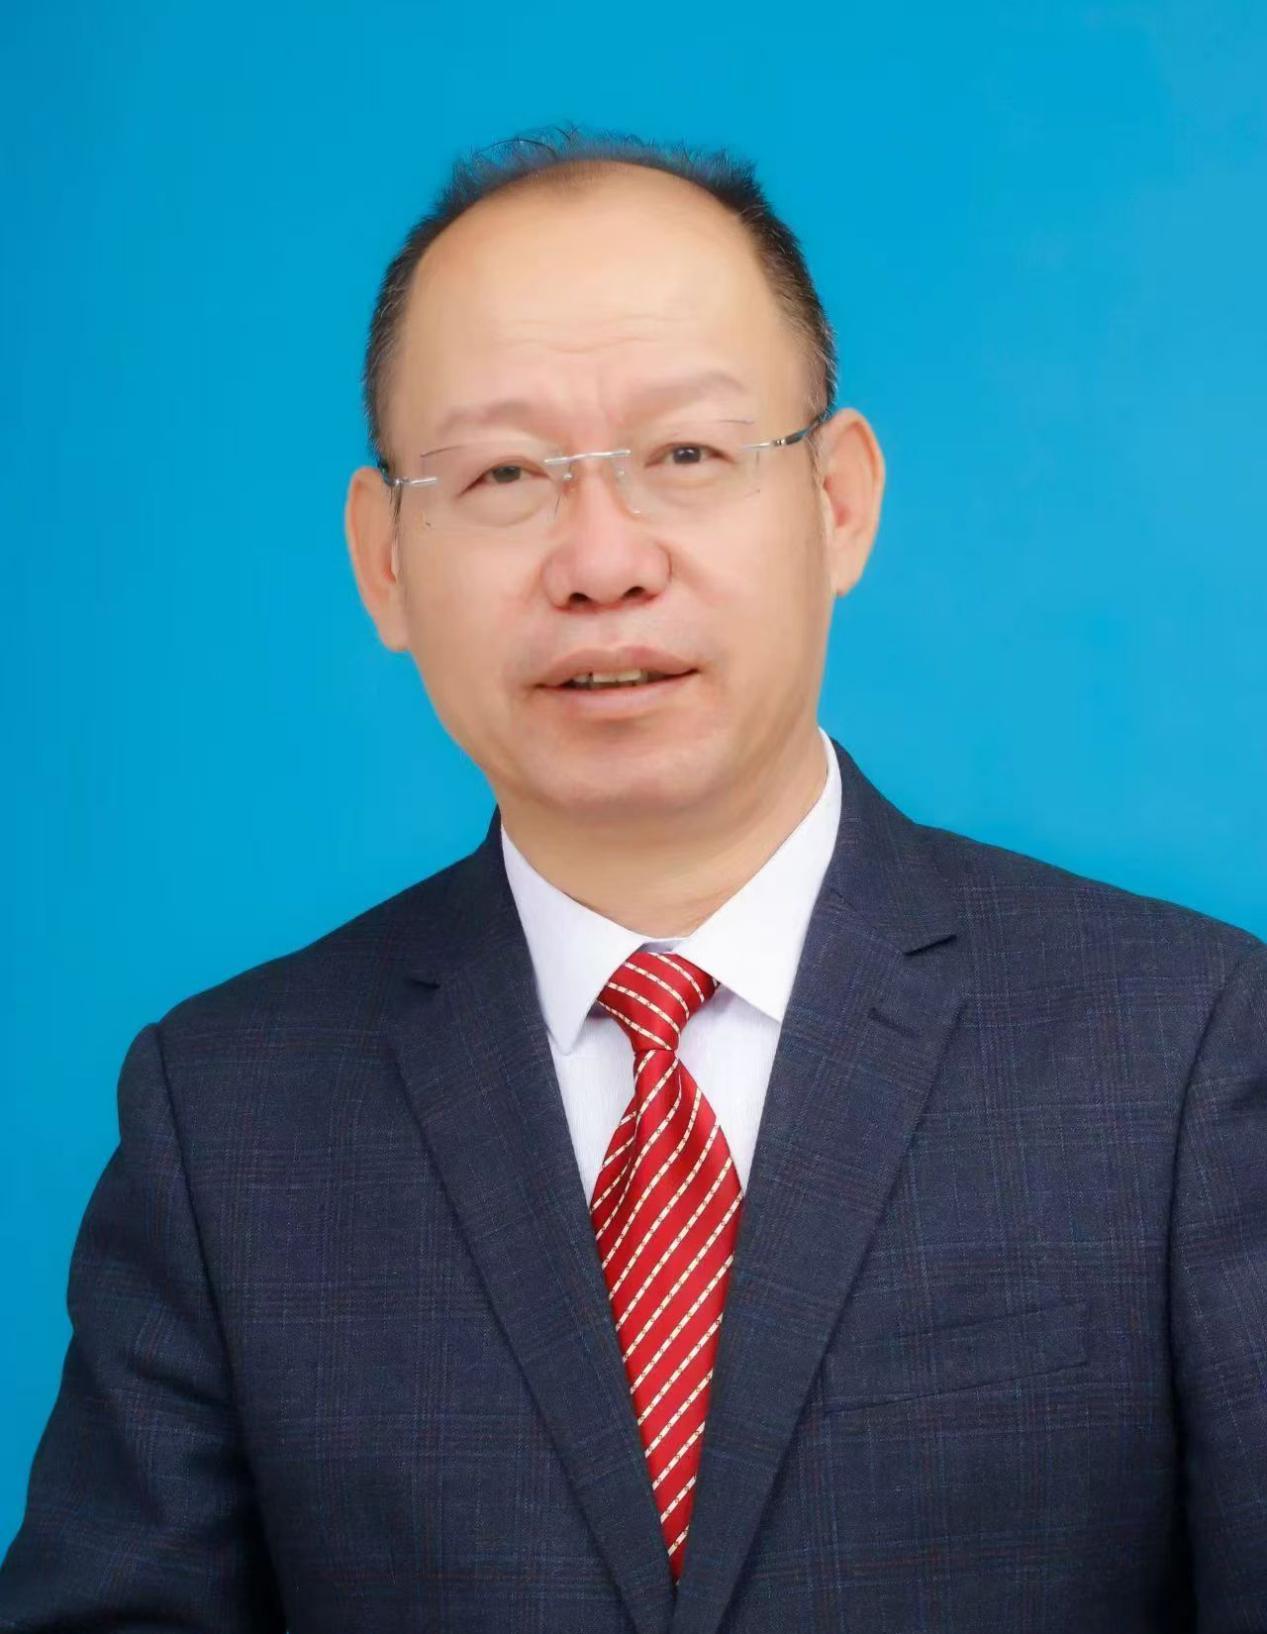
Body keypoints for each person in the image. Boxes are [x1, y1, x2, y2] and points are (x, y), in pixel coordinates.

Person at [1, 126, 1264, 1634]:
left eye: (686, 455)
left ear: (840, 501)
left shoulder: (1180, 1051)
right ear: (385, 561)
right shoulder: (226, 1117)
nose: (602, 562)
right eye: (503, 473)